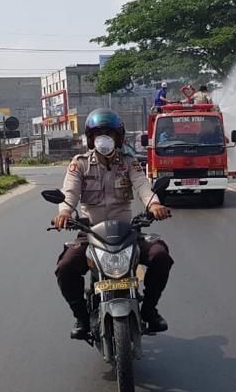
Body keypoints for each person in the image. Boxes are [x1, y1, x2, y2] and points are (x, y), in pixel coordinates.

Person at [54, 108, 173, 339]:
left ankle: (149, 309)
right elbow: (69, 192)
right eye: (99, 133)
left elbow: (142, 186)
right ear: (90, 138)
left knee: (161, 256)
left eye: (109, 133)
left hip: (127, 232)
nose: (104, 138)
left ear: (119, 137)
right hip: (90, 233)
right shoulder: (79, 164)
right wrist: (65, 212)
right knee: (65, 267)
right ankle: (81, 316)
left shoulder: (129, 163)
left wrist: (154, 205)